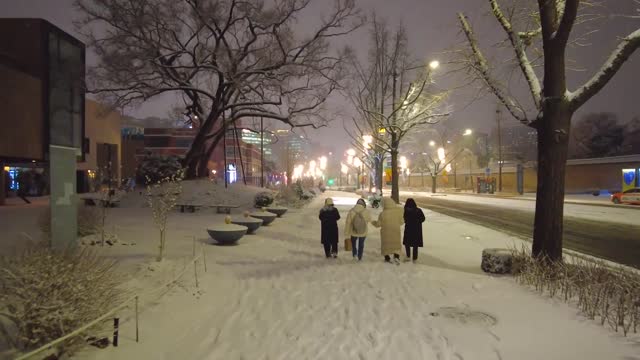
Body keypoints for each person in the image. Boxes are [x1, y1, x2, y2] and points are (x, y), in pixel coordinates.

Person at [372, 197, 404, 264]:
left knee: (386, 245)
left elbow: (378, 224)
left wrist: (373, 222)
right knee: (396, 244)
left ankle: (387, 258)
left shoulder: (382, 214)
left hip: (386, 232)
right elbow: (401, 222)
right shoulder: (398, 212)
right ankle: (396, 257)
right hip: (395, 231)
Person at [403, 198, 425, 263]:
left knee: (407, 243)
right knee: (415, 244)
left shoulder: (406, 211)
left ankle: (408, 256)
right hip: (417, 229)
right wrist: (418, 222)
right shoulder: (419, 210)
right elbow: (423, 218)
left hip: (408, 229)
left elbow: (404, 219)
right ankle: (415, 258)